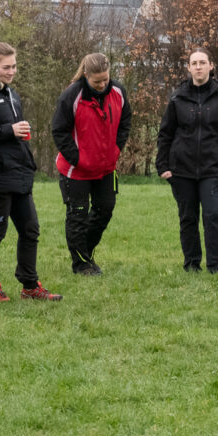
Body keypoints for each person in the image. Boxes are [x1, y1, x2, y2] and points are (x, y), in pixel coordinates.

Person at [0, 43, 61, 302]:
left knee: (30, 230)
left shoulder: (11, 93)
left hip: (19, 174)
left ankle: (30, 285)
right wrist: (9, 130)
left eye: (14, 66)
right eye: (5, 67)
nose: (11, 71)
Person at [156, 48, 218, 273]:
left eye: (202, 62)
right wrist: (162, 165)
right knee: (188, 218)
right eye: (194, 63)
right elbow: (166, 133)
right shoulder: (177, 96)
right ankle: (191, 265)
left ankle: (217, 267)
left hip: (214, 169)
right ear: (188, 68)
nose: (198, 67)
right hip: (182, 169)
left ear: (211, 66)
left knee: (213, 216)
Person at [52, 53, 132, 275]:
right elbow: (59, 131)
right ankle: (81, 264)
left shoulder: (118, 92)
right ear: (86, 75)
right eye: (97, 81)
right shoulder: (71, 96)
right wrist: (78, 159)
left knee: (105, 210)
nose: (102, 84)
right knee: (77, 216)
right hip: (75, 171)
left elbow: (125, 122)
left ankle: (84, 253)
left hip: (106, 168)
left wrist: (116, 150)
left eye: (105, 79)